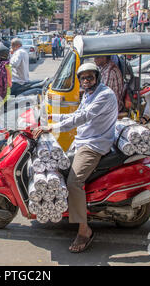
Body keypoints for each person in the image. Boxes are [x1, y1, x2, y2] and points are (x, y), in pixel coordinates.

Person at [32, 63, 118, 253]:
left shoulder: (104, 95)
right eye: (83, 78)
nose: (87, 81)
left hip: (94, 145)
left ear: (97, 78)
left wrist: (52, 127)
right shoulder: (89, 94)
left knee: (73, 182)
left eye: (90, 77)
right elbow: (78, 113)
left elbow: (84, 117)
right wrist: (50, 117)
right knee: (58, 167)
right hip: (82, 141)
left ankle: (84, 230)